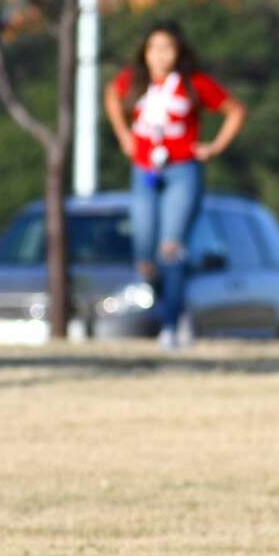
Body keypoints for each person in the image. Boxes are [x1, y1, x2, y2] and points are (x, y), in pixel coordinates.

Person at [104, 20, 246, 349]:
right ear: (145, 52)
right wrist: (124, 135)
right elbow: (112, 95)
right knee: (145, 255)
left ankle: (169, 328)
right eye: (154, 48)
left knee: (171, 248)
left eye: (167, 48)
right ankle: (178, 310)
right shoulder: (134, 81)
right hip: (144, 169)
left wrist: (214, 147)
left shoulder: (194, 83)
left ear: (178, 52)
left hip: (182, 168)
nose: (160, 55)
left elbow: (235, 110)